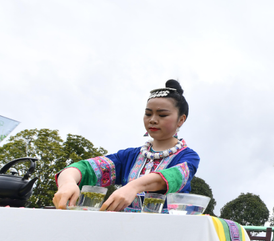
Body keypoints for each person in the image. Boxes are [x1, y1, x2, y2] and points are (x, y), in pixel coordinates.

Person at [53, 79, 200, 211]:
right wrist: (68, 183)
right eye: (148, 114)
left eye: (162, 115)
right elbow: (86, 168)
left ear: (181, 120)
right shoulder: (129, 156)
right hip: (124, 229)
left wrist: (134, 186)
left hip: (169, 231)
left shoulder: (188, 156)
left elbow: (173, 176)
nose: (153, 120)